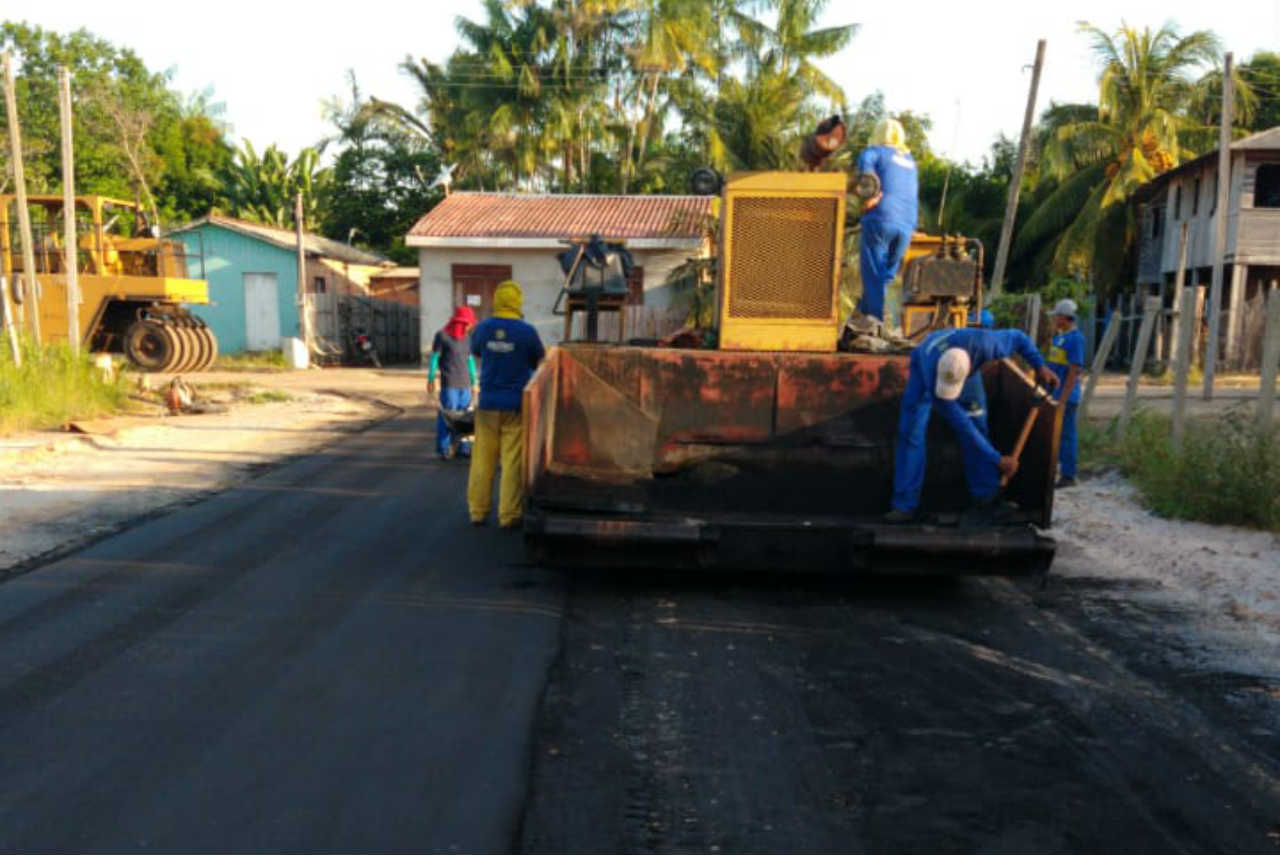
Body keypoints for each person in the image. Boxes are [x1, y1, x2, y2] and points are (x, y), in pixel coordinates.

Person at [885, 327, 1060, 523]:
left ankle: (986, 497)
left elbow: (1019, 337)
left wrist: (1040, 365)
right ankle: (905, 505)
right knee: (911, 433)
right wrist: (997, 459)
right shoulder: (933, 377)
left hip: (967, 367)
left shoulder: (988, 344)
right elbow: (963, 427)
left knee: (978, 424)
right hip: (924, 359)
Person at [467, 280, 546, 528]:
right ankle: (508, 515)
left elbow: (477, 353)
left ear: (497, 300)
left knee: (482, 459)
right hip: (515, 404)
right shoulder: (527, 332)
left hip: (488, 403)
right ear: (518, 302)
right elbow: (538, 362)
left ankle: (478, 511)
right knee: (511, 461)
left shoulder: (483, 328)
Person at [855, 118, 919, 324]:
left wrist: (868, 198)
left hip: (880, 219)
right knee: (884, 277)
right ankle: (862, 318)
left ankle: (875, 324)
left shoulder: (872, 152)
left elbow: (866, 178)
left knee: (873, 277)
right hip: (907, 225)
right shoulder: (910, 160)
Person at [428, 305, 479, 459]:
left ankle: (464, 448)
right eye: (468, 322)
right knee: (446, 417)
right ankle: (443, 449)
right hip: (449, 384)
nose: (470, 325)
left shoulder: (468, 339)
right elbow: (435, 358)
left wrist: (475, 381)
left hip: (465, 385)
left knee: (466, 418)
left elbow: (470, 361)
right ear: (460, 322)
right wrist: (431, 378)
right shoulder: (442, 336)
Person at [1047, 299, 1085, 488]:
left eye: (1056, 315)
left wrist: (1063, 397)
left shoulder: (1075, 339)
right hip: (1055, 393)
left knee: (1066, 435)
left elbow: (1074, 370)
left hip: (1066, 396)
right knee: (1057, 434)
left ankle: (1068, 475)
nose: (1054, 318)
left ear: (1064, 317)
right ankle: (1057, 470)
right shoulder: (1060, 337)